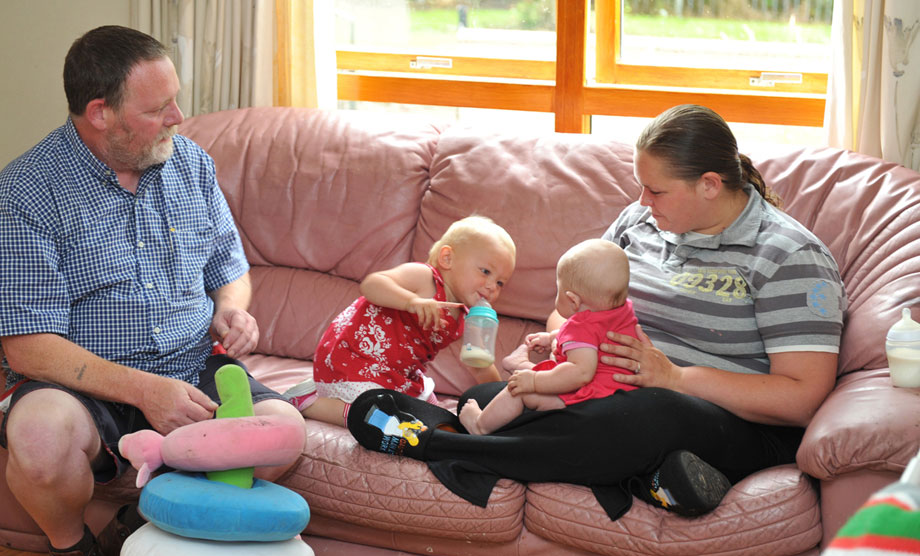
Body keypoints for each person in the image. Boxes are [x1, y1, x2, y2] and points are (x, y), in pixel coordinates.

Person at [346, 104, 846, 522]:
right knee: (495, 393)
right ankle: (652, 478)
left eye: (656, 190)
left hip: (726, 418)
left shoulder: (788, 255)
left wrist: (673, 377)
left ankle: (434, 443)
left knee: (644, 414)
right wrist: (556, 346)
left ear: (710, 184)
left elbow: (800, 399)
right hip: (614, 389)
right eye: (640, 187)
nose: (642, 202)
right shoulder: (641, 222)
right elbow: (574, 308)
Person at [0, 26, 303, 556]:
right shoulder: (24, 193)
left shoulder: (190, 165)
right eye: (159, 107)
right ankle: (73, 555)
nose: (179, 117)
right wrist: (145, 391)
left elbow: (230, 270)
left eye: (176, 100)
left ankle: (139, 524)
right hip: (83, 384)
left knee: (286, 437)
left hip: (191, 366)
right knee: (38, 440)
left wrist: (232, 311)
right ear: (99, 113)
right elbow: (28, 348)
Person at [285, 215, 516, 427]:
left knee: (434, 420)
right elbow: (372, 284)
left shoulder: (466, 317)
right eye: (486, 271)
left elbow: (480, 366)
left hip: (398, 373)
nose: (491, 286)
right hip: (355, 359)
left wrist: (504, 396)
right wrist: (411, 301)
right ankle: (307, 401)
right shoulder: (424, 278)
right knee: (379, 420)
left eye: (500, 283)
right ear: (447, 258)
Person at [459, 239, 638, 435]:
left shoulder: (580, 326)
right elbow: (597, 337)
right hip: (621, 398)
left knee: (520, 390)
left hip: (587, 403)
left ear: (573, 300)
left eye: (557, 289)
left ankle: (480, 425)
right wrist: (553, 336)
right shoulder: (623, 311)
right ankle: (521, 367)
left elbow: (581, 373)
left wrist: (534, 381)